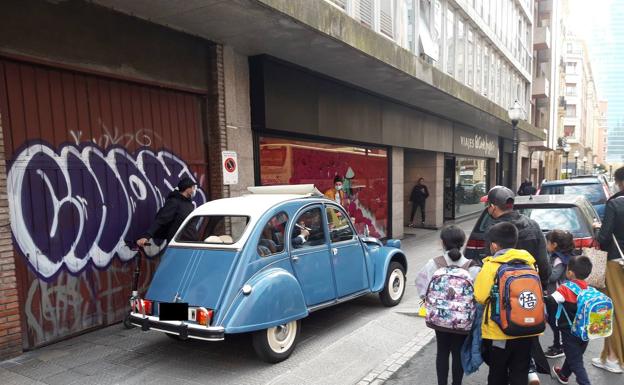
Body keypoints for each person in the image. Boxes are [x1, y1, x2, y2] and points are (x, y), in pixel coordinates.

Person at [479, 186, 551, 384]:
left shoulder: (494, 231)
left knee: (498, 362)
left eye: (488, 205)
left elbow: (487, 270)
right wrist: (540, 287)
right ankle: (529, 370)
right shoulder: (533, 225)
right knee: (524, 343)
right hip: (529, 299)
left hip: (500, 311)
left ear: (494, 207)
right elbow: (544, 266)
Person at [474, 222, 543, 385]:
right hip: (527, 330)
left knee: (497, 372)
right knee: (520, 371)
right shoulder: (529, 263)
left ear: (494, 246)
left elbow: (480, 296)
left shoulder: (491, 266)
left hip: (500, 331)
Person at [415, 225, 480, 385]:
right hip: (463, 321)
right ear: (463, 243)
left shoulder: (434, 264)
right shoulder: (472, 267)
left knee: (442, 352)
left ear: (442, 243)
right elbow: (479, 295)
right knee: (458, 353)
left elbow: (420, 284)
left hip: (439, 319)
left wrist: (428, 300)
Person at [593, 166, 624, 373]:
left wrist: (597, 229)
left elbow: (604, 239)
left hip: (615, 261)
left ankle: (613, 358)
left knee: (612, 308)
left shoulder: (615, 203)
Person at [548, 255, 594, 385]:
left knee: (576, 362)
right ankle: (563, 375)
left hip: (570, 332)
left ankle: (585, 382)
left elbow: (551, 300)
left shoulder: (566, 288)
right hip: (585, 332)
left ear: (570, 273)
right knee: (574, 355)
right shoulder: (588, 288)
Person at [137, 177, 197, 248]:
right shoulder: (174, 202)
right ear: (187, 189)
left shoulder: (189, 204)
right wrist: (147, 236)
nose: (194, 190)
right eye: (193, 187)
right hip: (178, 244)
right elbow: (161, 219)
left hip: (192, 242)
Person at [543, 230, 575, 359]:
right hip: (559, 295)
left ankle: (559, 346)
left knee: (555, 321)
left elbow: (553, 276)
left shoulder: (559, 259)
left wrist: (544, 271)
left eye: (548, 243)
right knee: (554, 321)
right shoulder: (564, 256)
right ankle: (558, 344)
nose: (546, 245)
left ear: (554, 244)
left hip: (557, 296)